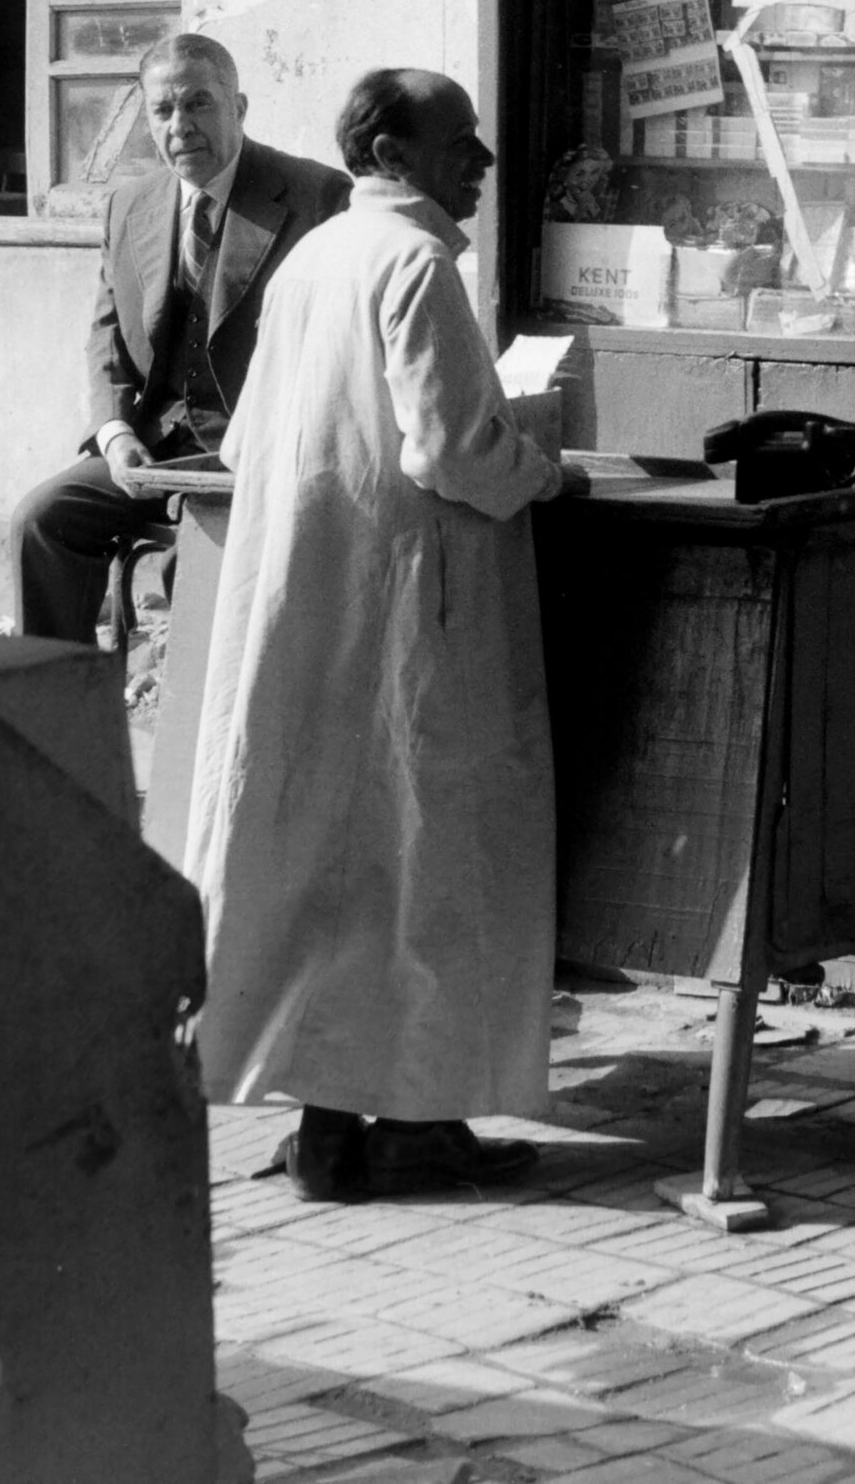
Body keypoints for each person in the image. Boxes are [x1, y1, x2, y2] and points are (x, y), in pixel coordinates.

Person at [184, 68, 577, 1202]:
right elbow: (452, 451)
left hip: (311, 602)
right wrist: (544, 472)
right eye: (460, 141)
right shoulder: (415, 264)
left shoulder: (316, 257)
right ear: (394, 154)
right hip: (411, 605)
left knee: (327, 864)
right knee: (425, 859)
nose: (482, 160)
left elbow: (246, 439)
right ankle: (412, 1124)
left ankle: (327, 1125)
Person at [10, 33, 349, 649]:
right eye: (162, 110)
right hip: (156, 448)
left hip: (262, 455)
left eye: (198, 104)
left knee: (193, 569)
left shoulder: (316, 197)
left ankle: (193, 704)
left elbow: (338, 353)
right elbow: (107, 336)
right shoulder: (129, 204)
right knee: (44, 520)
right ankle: (59, 696)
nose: (180, 127)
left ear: (238, 108)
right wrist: (116, 436)